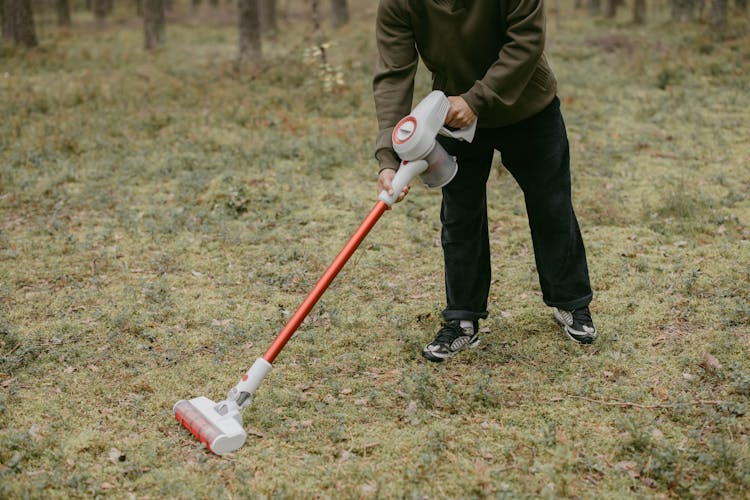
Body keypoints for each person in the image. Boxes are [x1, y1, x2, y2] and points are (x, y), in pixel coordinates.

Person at [373, 0, 597, 362]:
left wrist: (476, 99)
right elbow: (393, 74)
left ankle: (571, 302)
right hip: (451, 115)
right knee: (460, 214)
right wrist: (389, 157)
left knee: (550, 204)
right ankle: (462, 319)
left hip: (529, 106)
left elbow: (526, 40)